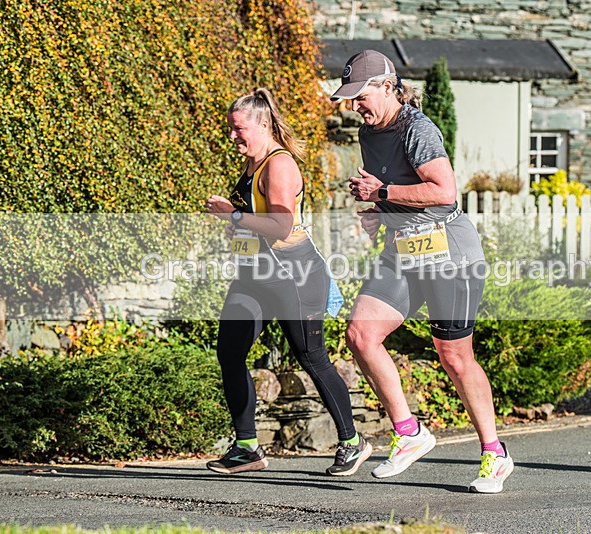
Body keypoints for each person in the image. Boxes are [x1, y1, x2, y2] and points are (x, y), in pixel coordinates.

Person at [330, 50, 514, 494]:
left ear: (388, 87)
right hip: (403, 250)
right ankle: (410, 432)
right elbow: (395, 194)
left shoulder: (418, 128)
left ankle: (495, 453)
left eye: (361, 96)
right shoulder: (369, 133)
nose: (356, 105)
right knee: (360, 334)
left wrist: (384, 190)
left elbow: (443, 190)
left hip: (449, 251)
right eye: (351, 98)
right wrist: (379, 209)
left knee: (454, 356)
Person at [204, 88, 371, 476]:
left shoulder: (279, 166)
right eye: (230, 129)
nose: (232, 137)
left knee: (312, 358)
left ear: (262, 124)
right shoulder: (252, 163)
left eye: (238, 129)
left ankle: (352, 441)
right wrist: (237, 228)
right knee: (230, 352)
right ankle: (247, 447)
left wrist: (233, 217)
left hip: (295, 276)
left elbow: (280, 227)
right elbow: (255, 224)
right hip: (256, 277)